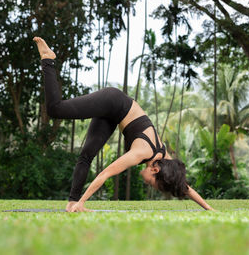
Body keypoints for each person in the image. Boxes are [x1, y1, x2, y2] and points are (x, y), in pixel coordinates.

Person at [33, 36, 214, 212]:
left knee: (86, 155)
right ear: (155, 169)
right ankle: (48, 60)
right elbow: (105, 173)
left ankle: (70, 203)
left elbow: (184, 187)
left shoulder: (164, 161)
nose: (150, 185)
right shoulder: (140, 153)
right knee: (55, 109)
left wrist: (209, 208)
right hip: (112, 101)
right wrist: (83, 202)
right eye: (154, 183)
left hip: (115, 115)